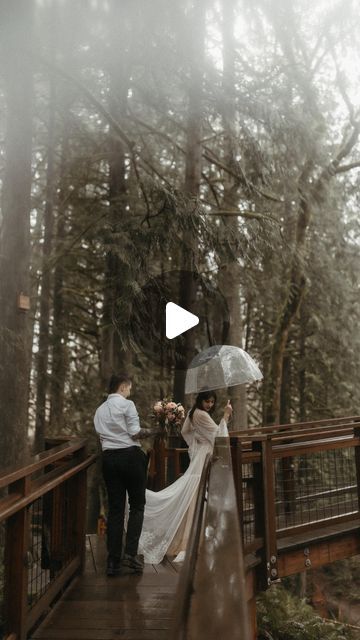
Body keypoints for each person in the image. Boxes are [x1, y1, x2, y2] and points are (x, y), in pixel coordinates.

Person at [138, 390, 232, 564]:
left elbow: (185, 431)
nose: (210, 405)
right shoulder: (202, 415)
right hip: (205, 457)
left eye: (212, 402)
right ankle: (194, 541)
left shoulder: (191, 413)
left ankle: (192, 538)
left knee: (195, 497)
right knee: (199, 496)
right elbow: (219, 436)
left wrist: (197, 442)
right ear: (200, 400)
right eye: (207, 401)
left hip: (200, 456)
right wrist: (226, 415)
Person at [94, 373, 153, 576]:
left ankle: (113, 561)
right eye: (129, 388)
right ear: (123, 387)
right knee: (137, 505)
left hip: (109, 459)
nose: (130, 392)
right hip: (130, 457)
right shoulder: (128, 405)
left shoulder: (100, 410)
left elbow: (102, 436)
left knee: (116, 509)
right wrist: (153, 431)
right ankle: (130, 555)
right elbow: (135, 433)